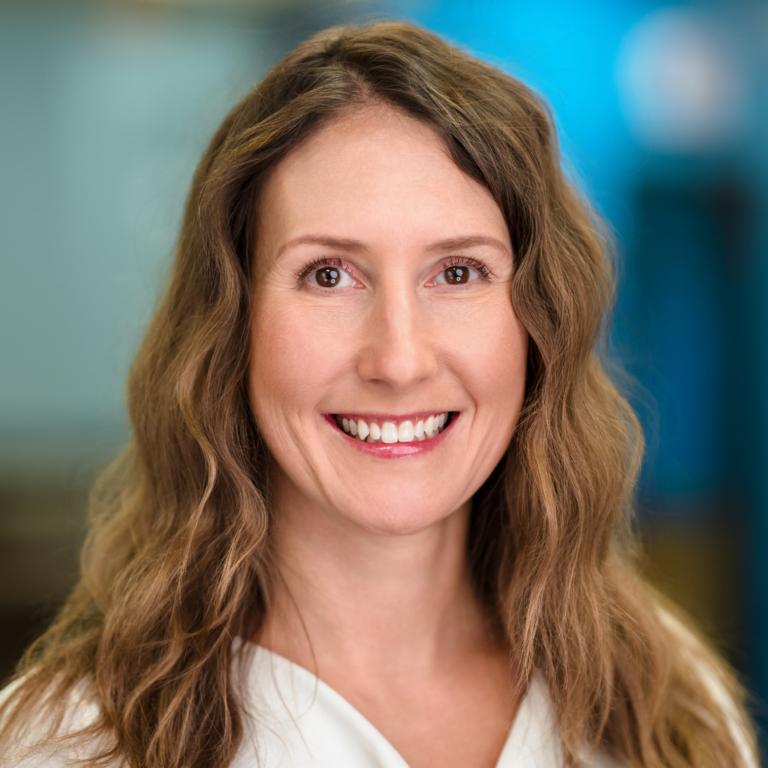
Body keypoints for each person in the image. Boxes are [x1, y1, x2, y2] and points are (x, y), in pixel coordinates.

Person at [0, 20, 758, 768]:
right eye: (328, 274)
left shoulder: (668, 709)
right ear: (232, 329)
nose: (398, 359)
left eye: (457, 273)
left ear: (539, 328)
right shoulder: (69, 745)